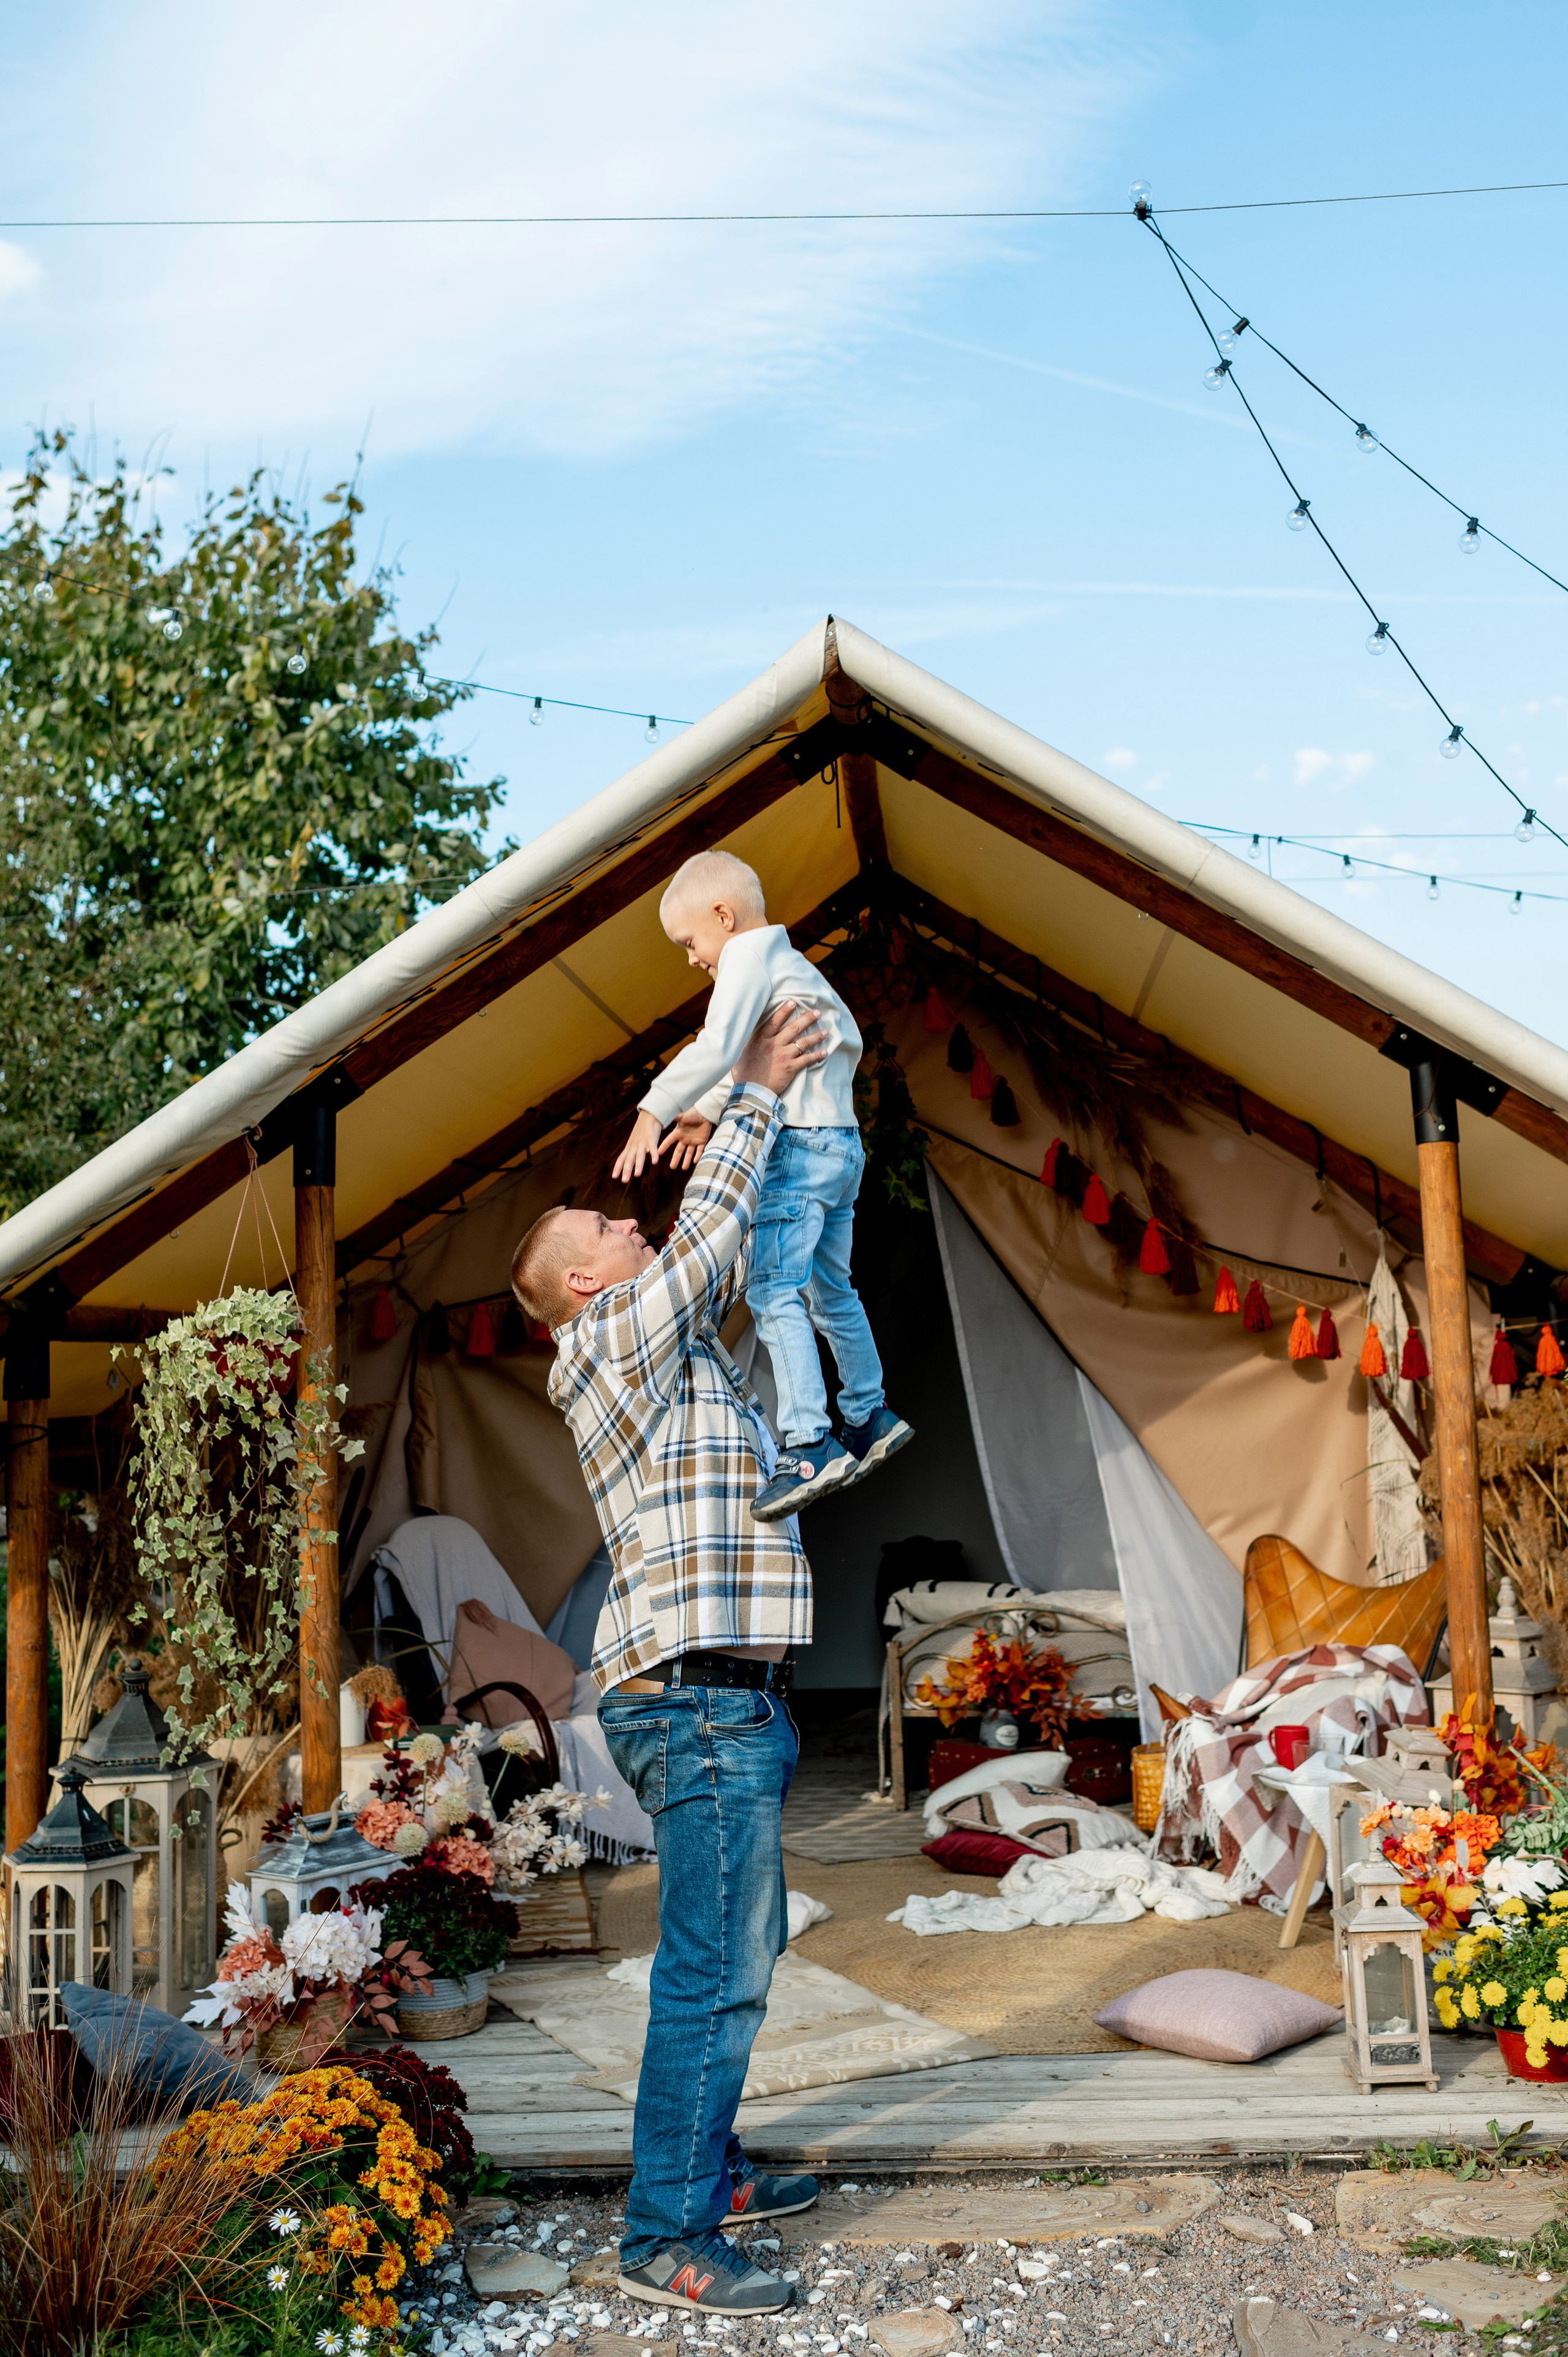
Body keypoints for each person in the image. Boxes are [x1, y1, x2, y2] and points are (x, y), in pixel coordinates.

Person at [510, 1002, 829, 2321]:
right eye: (602, 1232)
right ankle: (664, 2234)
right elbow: (698, 1251)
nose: (624, 1220)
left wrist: (734, 1135)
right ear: (582, 1286)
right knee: (709, 1969)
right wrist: (749, 1088)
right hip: (691, 1702)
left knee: (737, 1957)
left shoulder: (680, 1357)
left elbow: (743, 1265)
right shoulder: (599, 1345)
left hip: (730, 1701)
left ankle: (709, 2168)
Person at [611, 848, 912, 1521]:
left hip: (798, 1152)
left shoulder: (746, 958)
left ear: (724, 915)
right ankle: (868, 1415)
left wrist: (653, 1110)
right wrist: (710, 1111)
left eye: (690, 942)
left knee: (774, 1289)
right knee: (832, 1290)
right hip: (841, 1147)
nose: (692, 958)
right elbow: (757, 1050)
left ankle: (809, 1441)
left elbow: (721, 1045)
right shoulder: (793, 967)